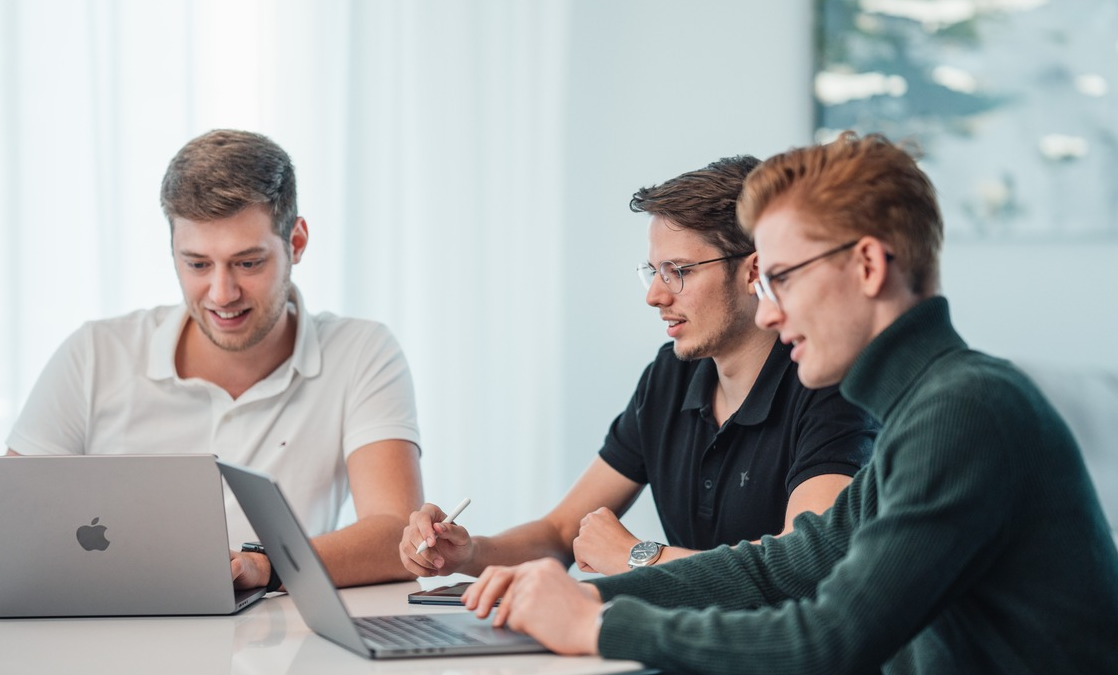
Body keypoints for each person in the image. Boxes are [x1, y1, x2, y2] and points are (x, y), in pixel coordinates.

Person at [461, 132, 1118, 673]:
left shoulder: (964, 410)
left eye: (781, 279)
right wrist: (577, 594)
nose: (768, 313)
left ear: (866, 266)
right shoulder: (928, 407)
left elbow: (831, 637)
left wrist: (599, 623)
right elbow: (789, 565)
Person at [0, 129, 423, 600]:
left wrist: (262, 566)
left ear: (296, 242)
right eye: (197, 264)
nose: (222, 294)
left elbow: (397, 537)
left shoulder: (362, 351)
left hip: (276, 650)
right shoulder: (95, 353)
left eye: (248, 263)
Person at [400, 156, 876, 578]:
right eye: (653, 271)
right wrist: (467, 554)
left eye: (679, 271)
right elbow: (562, 530)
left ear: (753, 271)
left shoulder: (827, 383)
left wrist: (640, 556)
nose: (655, 295)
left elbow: (806, 564)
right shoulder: (671, 376)